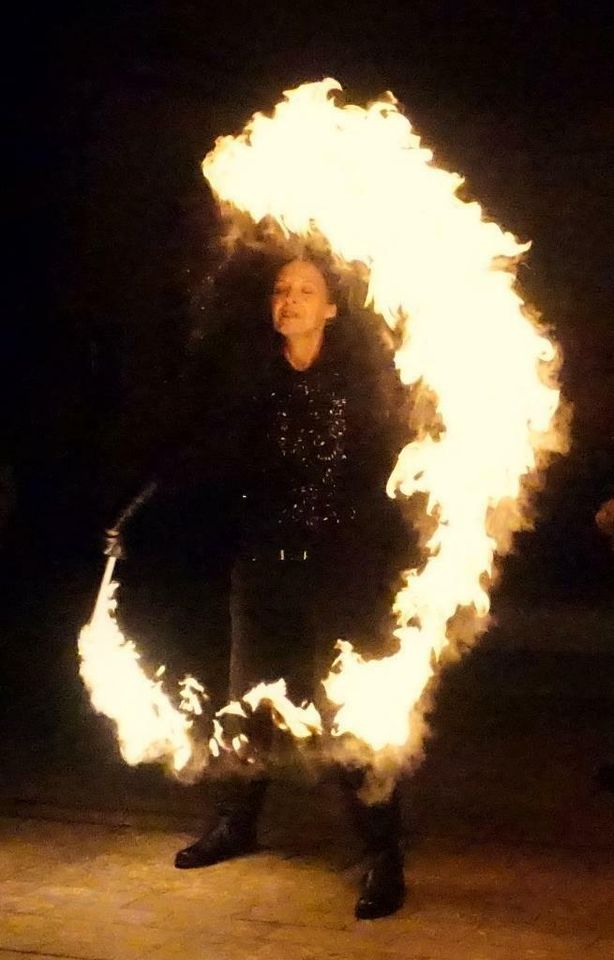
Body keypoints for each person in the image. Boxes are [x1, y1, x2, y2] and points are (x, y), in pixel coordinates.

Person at [110, 254, 411, 919]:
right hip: (264, 563)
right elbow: (203, 457)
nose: (290, 299)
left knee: (350, 710)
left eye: (306, 291)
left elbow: (397, 468)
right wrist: (139, 513)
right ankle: (237, 823)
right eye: (281, 291)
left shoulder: (361, 382)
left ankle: (383, 853)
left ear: (331, 308)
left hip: (342, 571)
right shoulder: (252, 381)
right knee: (249, 700)